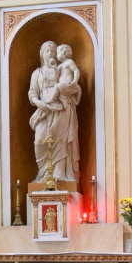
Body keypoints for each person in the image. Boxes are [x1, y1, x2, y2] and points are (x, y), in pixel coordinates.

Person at [28, 40, 81, 184]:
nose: (50, 54)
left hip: (60, 109)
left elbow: (68, 82)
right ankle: (43, 176)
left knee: (60, 141)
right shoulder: (37, 73)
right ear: (42, 54)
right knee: (39, 141)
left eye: (53, 51)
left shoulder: (59, 69)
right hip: (44, 109)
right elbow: (32, 92)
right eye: (47, 51)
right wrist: (39, 103)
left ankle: (59, 175)